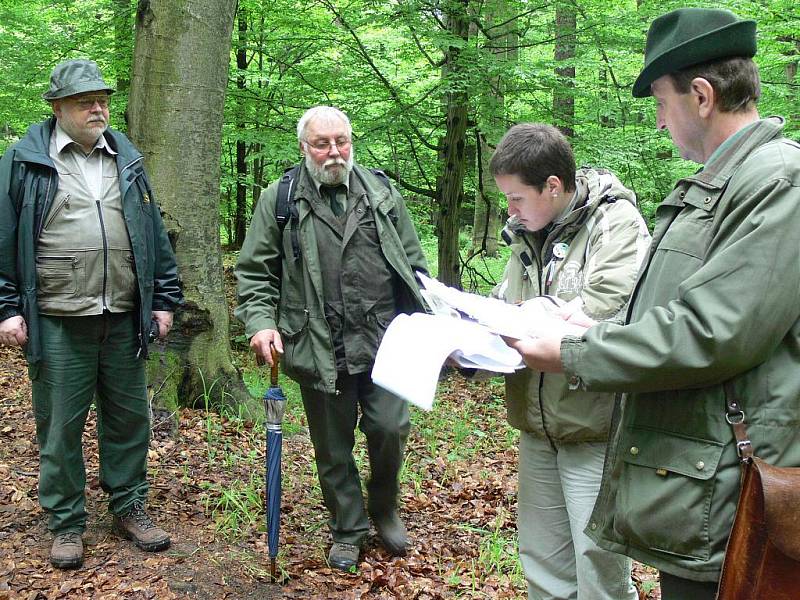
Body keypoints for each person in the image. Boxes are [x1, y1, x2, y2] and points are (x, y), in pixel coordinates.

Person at [504, 8, 800, 599]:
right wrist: (590, 322)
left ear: (701, 96)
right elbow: (680, 310)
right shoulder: (712, 187)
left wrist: (575, 351)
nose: (661, 124)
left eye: (662, 104)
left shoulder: (777, 183)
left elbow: (714, 331)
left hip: (732, 490)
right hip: (694, 486)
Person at [0, 59, 183, 569]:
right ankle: (66, 522)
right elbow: (2, 239)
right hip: (58, 317)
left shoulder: (126, 158)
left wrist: (165, 298)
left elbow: (152, 233)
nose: (98, 108)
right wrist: (6, 307)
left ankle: (129, 506)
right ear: (58, 108)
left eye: (102, 99)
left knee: (129, 420)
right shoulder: (23, 161)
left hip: (124, 316)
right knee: (60, 426)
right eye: (85, 101)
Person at [235, 106, 428, 571]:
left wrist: (432, 324)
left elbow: (415, 265)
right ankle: (348, 527)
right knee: (333, 445)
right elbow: (255, 272)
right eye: (322, 143)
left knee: (389, 429)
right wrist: (261, 323)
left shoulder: (380, 191)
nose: (334, 151)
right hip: (317, 342)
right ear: (304, 148)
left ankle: (384, 509)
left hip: (385, 340)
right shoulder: (280, 198)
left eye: (340, 140)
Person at [488, 123, 649, 600]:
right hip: (538, 426)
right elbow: (506, 303)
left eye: (517, 198)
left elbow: (608, 316)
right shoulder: (524, 235)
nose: (510, 210)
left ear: (553, 187)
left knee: (597, 565)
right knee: (543, 561)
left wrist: (528, 321)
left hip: (593, 427)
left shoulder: (615, 224)